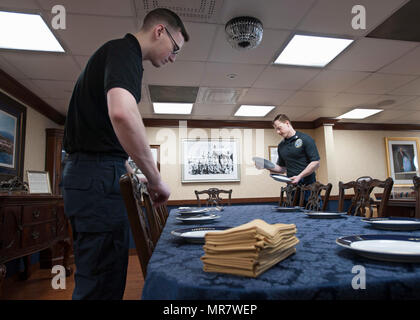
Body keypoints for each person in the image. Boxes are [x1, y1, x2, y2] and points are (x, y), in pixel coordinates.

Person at [61, 8, 189, 300]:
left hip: (94, 173)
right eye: (175, 48)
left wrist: (134, 171)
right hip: (96, 177)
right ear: (160, 31)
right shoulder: (124, 50)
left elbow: (105, 135)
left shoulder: (119, 54)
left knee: (104, 279)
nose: (173, 57)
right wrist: (156, 180)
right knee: (100, 286)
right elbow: (121, 113)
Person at [256, 114, 320, 203]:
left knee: (311, 214)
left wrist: (299, 176)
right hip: (292, 189)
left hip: (309, 187)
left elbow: (315, 163)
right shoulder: (281, 146)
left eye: (279, 128)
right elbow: (282, 169)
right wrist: (265, 165)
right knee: (292, 216)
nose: (278, 132)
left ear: (287, 123)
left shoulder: (305, 139)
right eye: (276, 129)